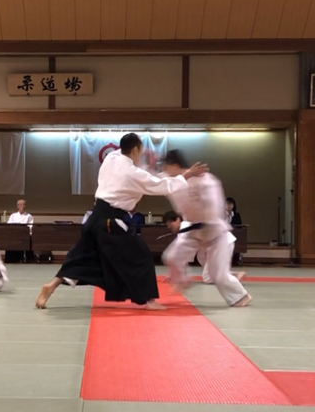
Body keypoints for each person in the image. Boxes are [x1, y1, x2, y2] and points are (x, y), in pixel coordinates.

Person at [35, 133, 207, 311]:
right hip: (111, 221)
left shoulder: (112, 158)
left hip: (94, 217)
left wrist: (142, 152)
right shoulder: (133, 173)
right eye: (140, 150)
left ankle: (51, 286)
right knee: (141, 256)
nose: (141, 154)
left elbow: (129, 157)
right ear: (134, 149)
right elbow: (161, 185)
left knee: (81, 256)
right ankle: (149, 300)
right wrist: (187, 175)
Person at [159, 150, 251, 307]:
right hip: (194, 231)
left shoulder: (205, 180)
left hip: (215, 232)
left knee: (218, 275)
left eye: (165, 167)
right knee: (171, 257)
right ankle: (183, 280)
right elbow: (152, 180)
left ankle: (240, 296)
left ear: (174, 165)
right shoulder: (171, 180)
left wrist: (203, 217)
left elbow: (216, 207)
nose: (164, 171)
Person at [5, 199, 34, 263]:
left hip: (24, 236)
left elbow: (30, 227)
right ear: (17, 206)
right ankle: (11, 259)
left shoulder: (29, 216)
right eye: (20, 205)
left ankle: (25, 258)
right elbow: (9, 225)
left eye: (23, 205)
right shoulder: (13, 215)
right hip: (14, 235)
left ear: (25, 206)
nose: (22, 206)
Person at [226, 197, 243, 266]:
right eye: (227, 204)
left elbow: (240, 225)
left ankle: (235, 259)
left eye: (231, 204)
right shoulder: (221, 214)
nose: (229, 206)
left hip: (234, 234)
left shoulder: (236, 215)